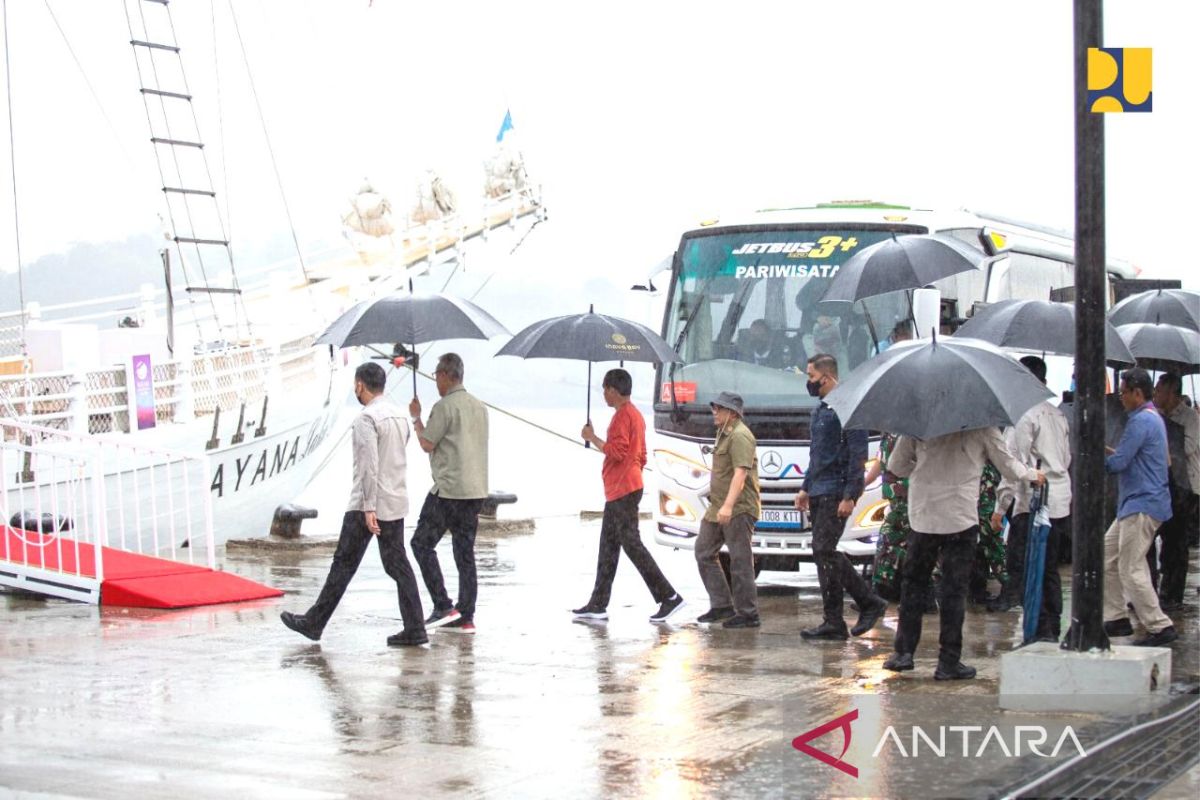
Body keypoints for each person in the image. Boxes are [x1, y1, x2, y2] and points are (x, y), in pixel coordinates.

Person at [281, 362, 427, 646]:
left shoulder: (366, 419)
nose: (354, 389)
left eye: (355, 384)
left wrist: (369, 507)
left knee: (344, 564)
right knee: (397, 564)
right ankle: (415, 627)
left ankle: (314, 622)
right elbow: (395, 456)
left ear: (360, 385)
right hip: (396, 499)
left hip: (367, 503)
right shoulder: (398, 416)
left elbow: (368, 467)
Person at [883, 428, 1045, 680]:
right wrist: (1033, 474)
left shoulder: (919, 424)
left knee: (913, 586)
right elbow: (1008, 465)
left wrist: (925, 472)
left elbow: (896, 465)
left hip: (923, 518)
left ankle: (903, 653)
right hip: (960, 520)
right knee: (954, 591)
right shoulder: (982, 428)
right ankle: (948, 662)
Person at [574, 369, 684, 622]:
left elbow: (618, 451)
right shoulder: (635, 415)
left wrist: (593, 438)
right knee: (609, 547)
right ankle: (598, 603)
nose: (603, 394)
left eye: (605, 389)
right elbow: (641, 454)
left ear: (614, 390)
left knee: (632, 545)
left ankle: (669, 596)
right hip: (625, 487)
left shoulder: (623, 416)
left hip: (623, 488)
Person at [794, 354, 887, 640]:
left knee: (825, 550)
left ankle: (869, 601)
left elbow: (857, 456)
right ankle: (833, 621)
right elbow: (817, 454)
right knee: (821, 554)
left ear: (827, 377)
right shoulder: (821, 410)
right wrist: (805, 487)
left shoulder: (848, 409)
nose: (809, 382)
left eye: (811, 377)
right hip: (820, 489)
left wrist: (851, 495)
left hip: (836, 491)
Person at [990, 356, 1073, 639]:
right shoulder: (1057, 414)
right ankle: (1053, 623)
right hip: (1060, 500)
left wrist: (1000, 509)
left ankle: (1039, 626)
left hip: (1034, 504)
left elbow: (1012, 466)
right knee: (1049, 567)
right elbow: (1065, 458)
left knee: (1027, 565)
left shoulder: (1023, 416)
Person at [409, 353, 489, 634]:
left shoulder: (444, 407)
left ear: (445, 375)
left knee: (421, 544)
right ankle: (466, 615)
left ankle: (442, 604)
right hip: (475, 489)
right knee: (464, 552)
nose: (435, 381)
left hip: (449, 490)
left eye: (436, 376)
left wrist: (416, 418)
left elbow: (427, 443)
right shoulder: (479, 407)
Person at [1102, 368, 1177, 647]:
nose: (1120, 397)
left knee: (1130, 567)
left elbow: (1119, 463)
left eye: (1123, 392)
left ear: (1137, 393)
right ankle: (1117, 616)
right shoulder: (1150, 419)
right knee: (1106, 556)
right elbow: (1129, 456)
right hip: (1134, 503)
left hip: (1142, 503)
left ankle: (1160, 625)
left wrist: (1093, 458)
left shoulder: (1141, 422)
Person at [694, 392, 762, 628]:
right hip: (718, 507)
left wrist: (728, 506)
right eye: (714, 408)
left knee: (740, 560)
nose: (714, 412)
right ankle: (721, 605)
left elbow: (741, 474)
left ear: (732, 413)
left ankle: (748, 613)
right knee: (703, 551)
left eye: (719, 409)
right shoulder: (723, 433)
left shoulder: (741, 436)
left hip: (737, 508)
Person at [1152, 373, 1198, 611]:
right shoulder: (1156, 416)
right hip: (1161, 484)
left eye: (1159, 391)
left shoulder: (1190, 418)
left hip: (1185, 486)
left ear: (1172, 393)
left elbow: (1187, 448)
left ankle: (1173, 595)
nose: (1155, 394)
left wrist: (1166, 430)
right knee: (1157, 538)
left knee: (1177, 542)